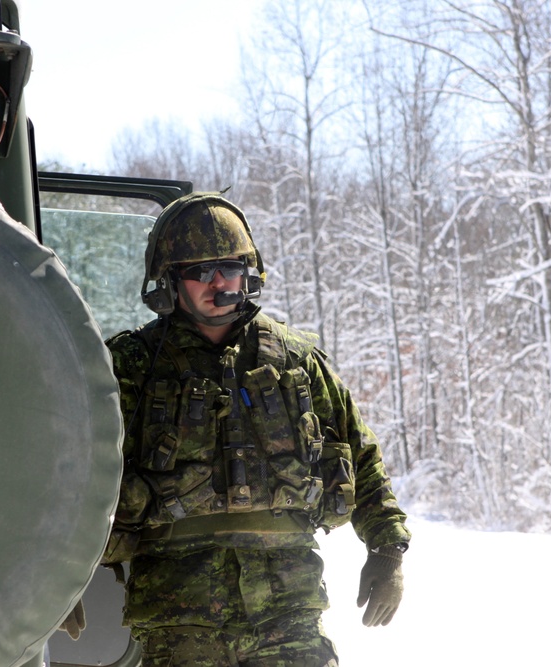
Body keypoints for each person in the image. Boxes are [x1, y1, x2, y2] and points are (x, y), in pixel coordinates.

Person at [102, 193, 411, 667]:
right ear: (169, 280)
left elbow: (359, 451)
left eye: (230, 268)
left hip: (289, 609)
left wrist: (387, 549)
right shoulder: (130, 367)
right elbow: (72, 477)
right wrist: (56, 583)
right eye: (202, 272)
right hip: (179, 617)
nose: (220, 283)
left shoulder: (296, 359)